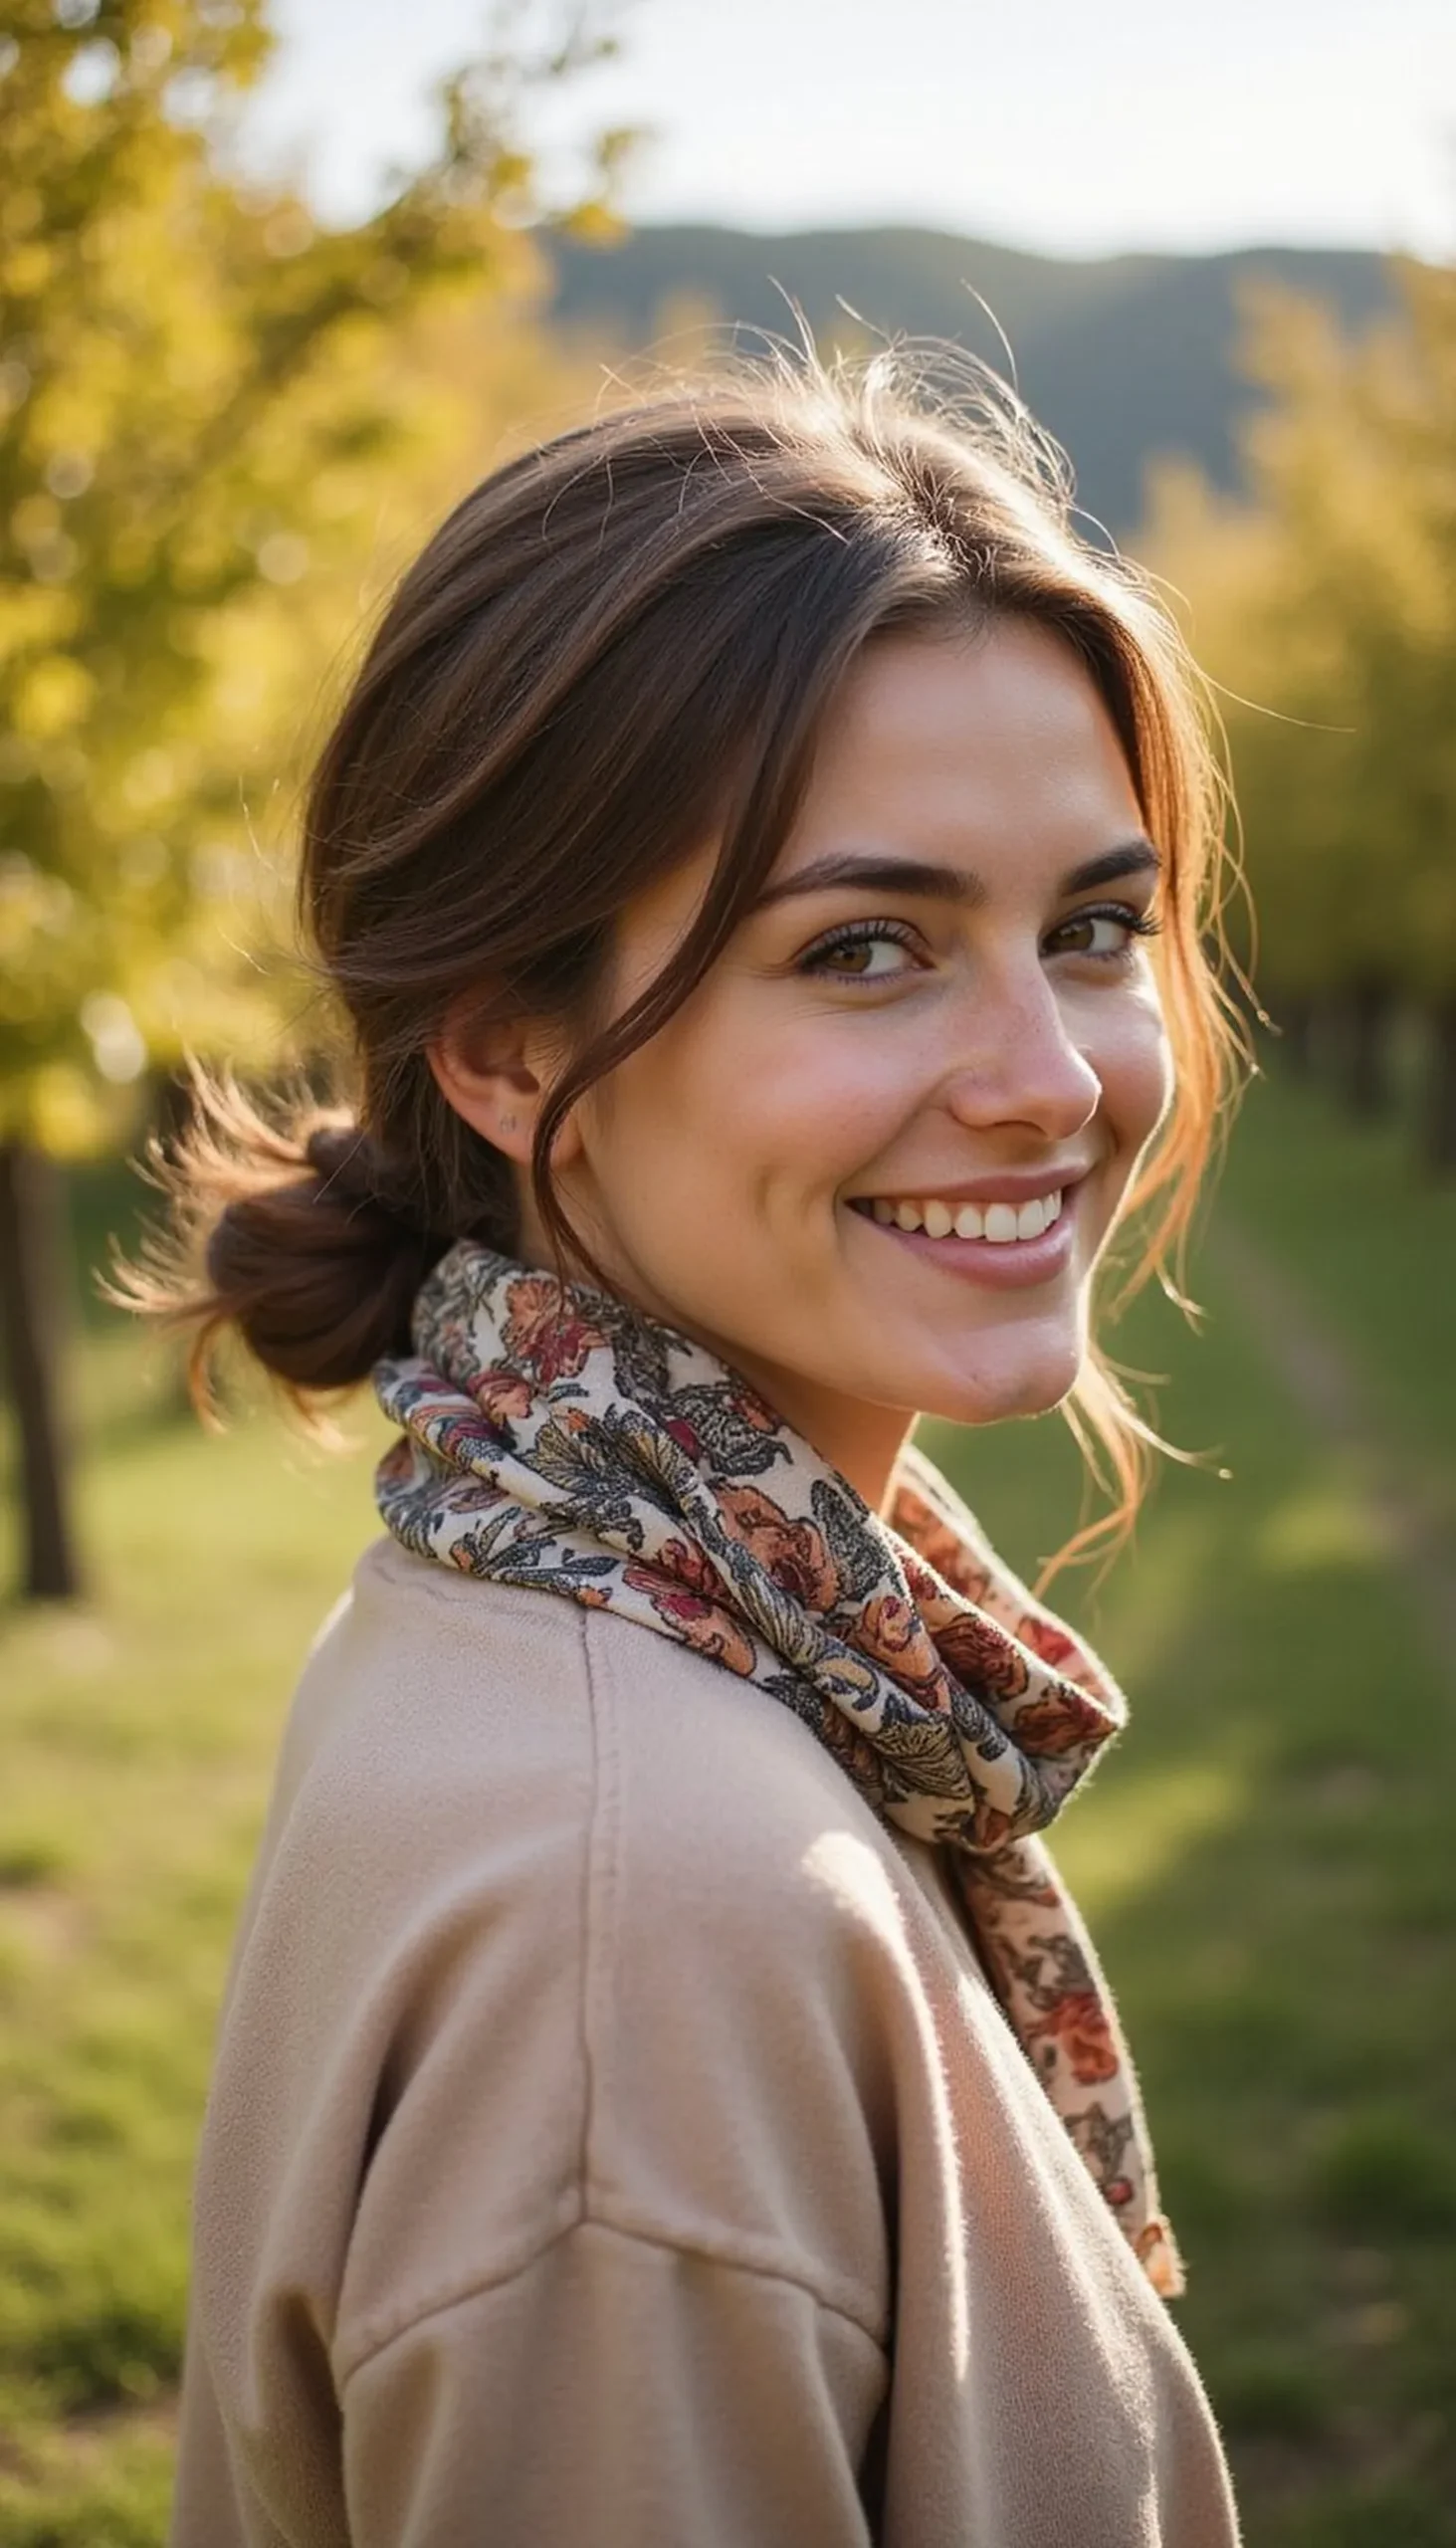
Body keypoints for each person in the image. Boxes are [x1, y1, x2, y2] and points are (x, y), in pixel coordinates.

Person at [134, 352, 1244, 2545]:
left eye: (1091, 929)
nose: (1046, 1076)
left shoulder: (562, 1582)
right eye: (866, 947)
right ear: (506, 1045)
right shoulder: (638, 1950)